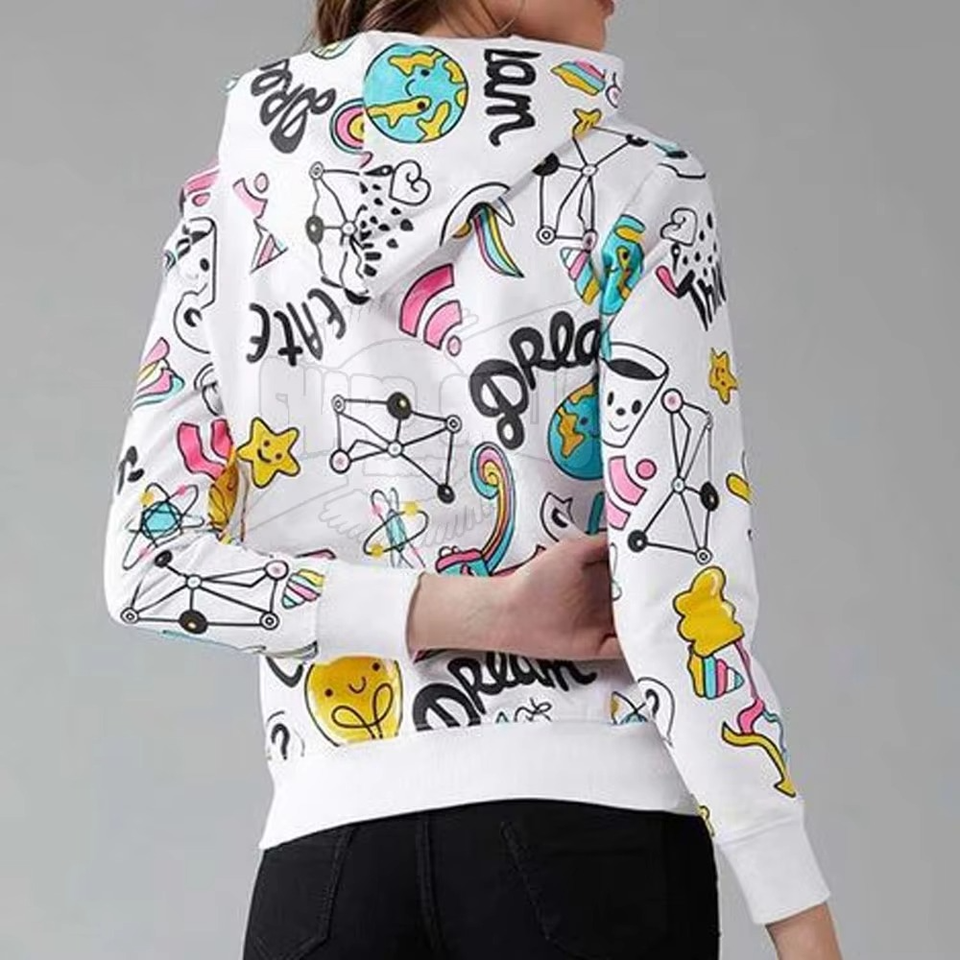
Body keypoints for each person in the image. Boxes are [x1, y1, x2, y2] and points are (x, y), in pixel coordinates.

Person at [101, 0, 844, 956]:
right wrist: (797, 911)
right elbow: (676, 592)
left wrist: (457, 611)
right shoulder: (638, 183)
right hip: (586, 840)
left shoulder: (229, 206)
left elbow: (151, 567)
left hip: (324, 866)